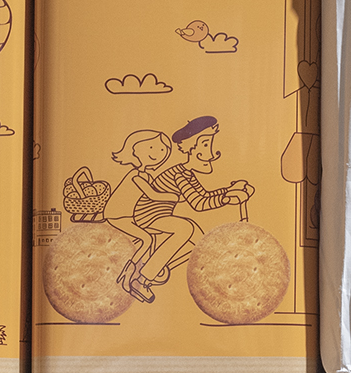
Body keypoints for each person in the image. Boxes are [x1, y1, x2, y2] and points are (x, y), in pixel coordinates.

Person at [108, 116, 254, 301]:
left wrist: (230, 189)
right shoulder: (179, 175)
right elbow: (198, 203)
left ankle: (159, 267)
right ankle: (143, 279)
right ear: (191, 148)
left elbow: (204, 194)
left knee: (198, 240)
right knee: (185, 228)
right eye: (205, 145)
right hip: (149, 215)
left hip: (160, 214)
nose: (212, 153)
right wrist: (226, 199)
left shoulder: (186, 174)